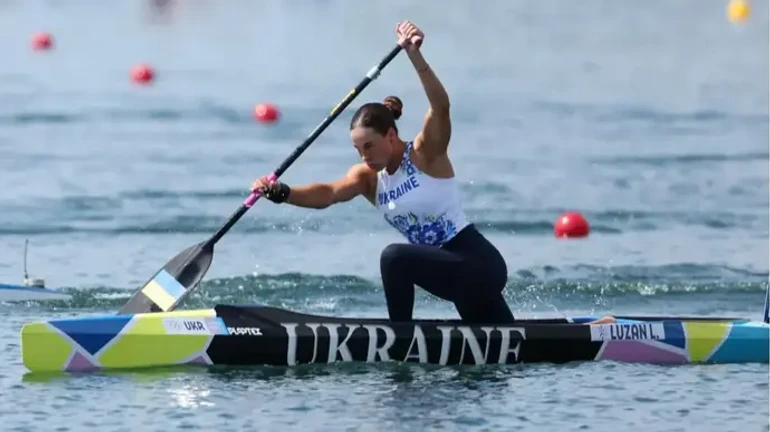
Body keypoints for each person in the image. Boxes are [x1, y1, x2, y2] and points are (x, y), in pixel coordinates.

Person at [251, 20, 617, 327]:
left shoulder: (426, 153)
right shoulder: (368, 178)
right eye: (358, 149)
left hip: (478, 264)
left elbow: (440, 106)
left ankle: (399, 339)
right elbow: (328, 193)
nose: (364, 156)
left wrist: (415, 56)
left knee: (395, 257)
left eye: (369, 146)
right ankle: (594, 330)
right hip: (449, 274)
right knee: (507, 342)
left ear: (390, 135)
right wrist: (282, 192)